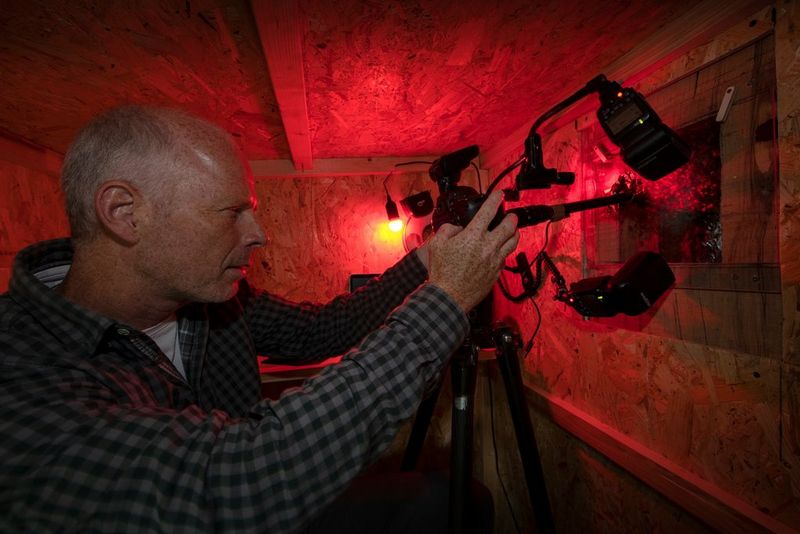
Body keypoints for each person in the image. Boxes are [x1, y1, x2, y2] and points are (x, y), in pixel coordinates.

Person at [0, 106, 519, 533]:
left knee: (456, 501)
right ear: (124, 212)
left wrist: (426, 263)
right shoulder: (22, 368)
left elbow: (325, 331)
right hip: (236, 501)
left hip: (263, 502)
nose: (258, 234)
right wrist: (446, 301)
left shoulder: (215, 301)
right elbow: (234, 479)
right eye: (232, 212)